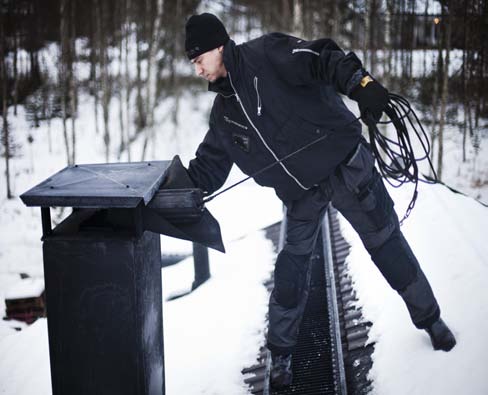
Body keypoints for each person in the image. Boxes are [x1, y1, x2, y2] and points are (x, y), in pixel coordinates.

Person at [181, 12, 456, 389]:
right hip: (301, 193)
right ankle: (280, 357)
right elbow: (207, 169)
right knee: (292, 272)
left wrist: (361, 84)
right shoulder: (224, 114)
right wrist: (174, 190)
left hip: (346, 166)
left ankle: (431, 320)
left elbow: (324, 58)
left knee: (386, 243)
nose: (196, 70)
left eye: (197, 59)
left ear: (217, 46)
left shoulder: (268, 54)